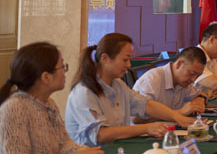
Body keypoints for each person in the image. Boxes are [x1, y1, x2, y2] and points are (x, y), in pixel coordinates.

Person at [65, 33, 195, 146]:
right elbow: (100, 134)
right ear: (105, 58)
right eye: (125, 60)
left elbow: (146, 104)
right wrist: (147, 128)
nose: (128, 65)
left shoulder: (118, 85)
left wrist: (176, 117)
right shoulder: (84, 92)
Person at [0, 43, 104, 154]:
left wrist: (88, 152)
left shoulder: (49, 103)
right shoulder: (14, 108)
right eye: (62, 67)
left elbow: (64, 145)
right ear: (46, 77)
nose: (65, 71)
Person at [133, 47, 208, 119]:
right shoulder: (151, 80)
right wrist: (178, 113)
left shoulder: (183, 82)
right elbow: (136, 118)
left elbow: (201, 94)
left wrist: (200, 99)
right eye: (191, 73)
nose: (193, 80)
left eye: (198, 76)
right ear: (179, 64)